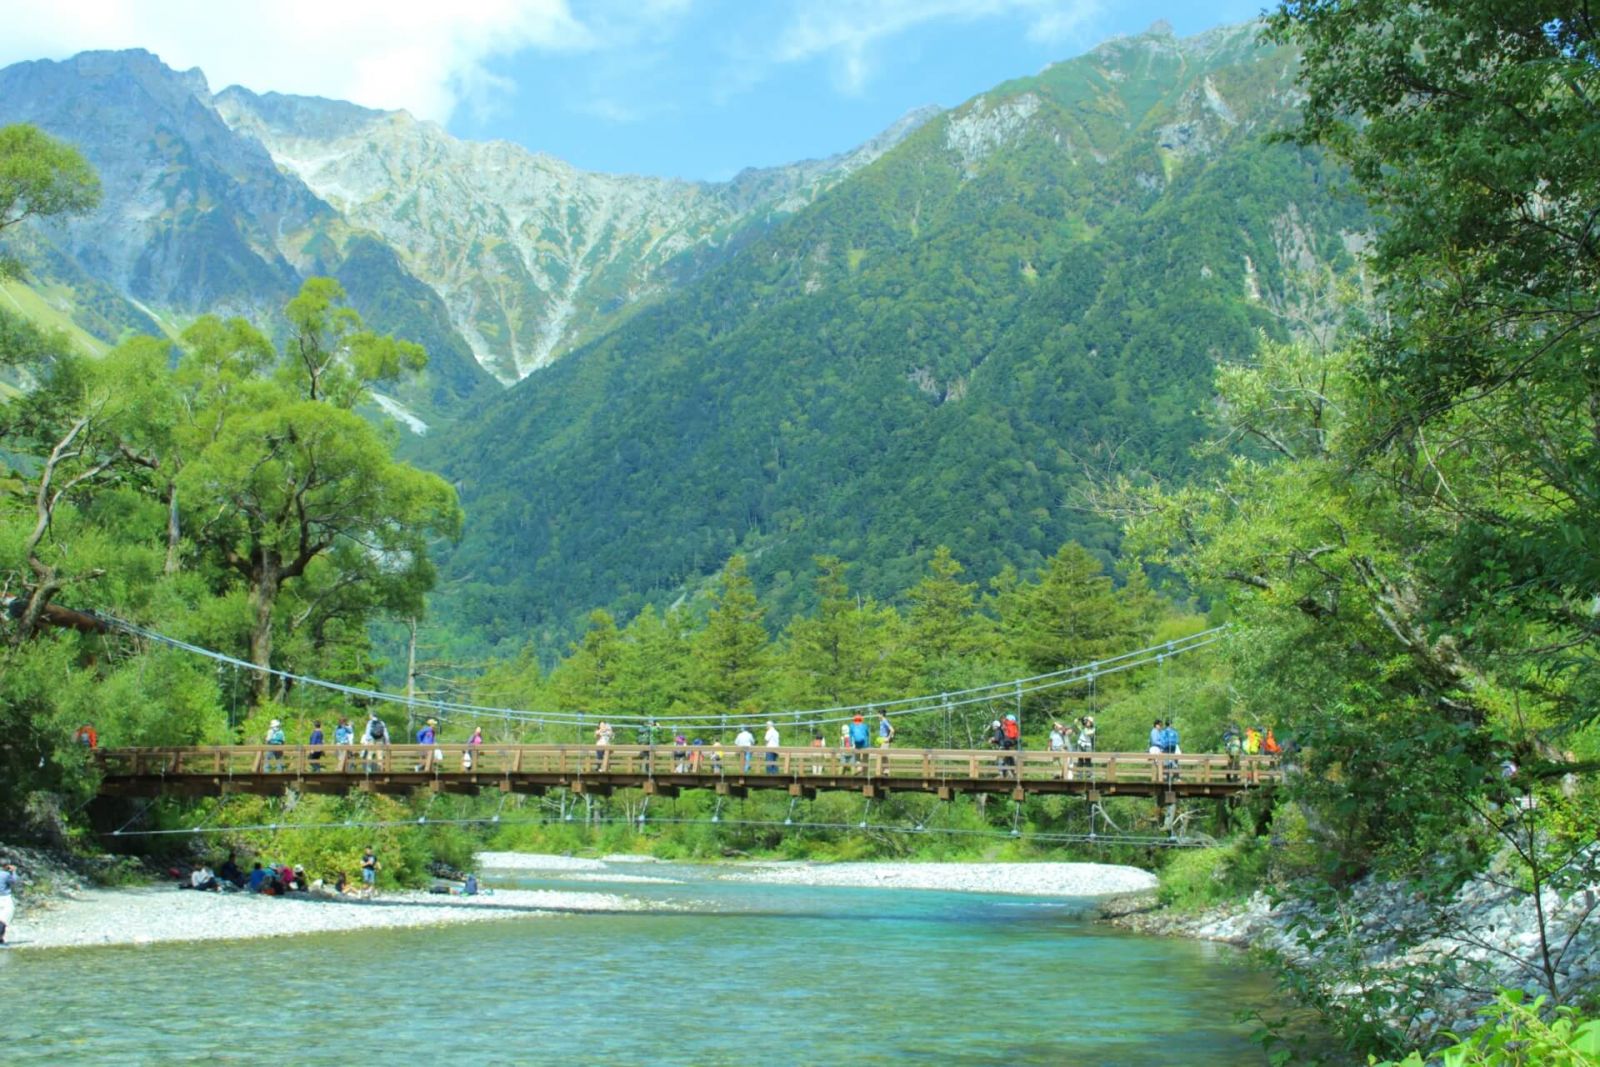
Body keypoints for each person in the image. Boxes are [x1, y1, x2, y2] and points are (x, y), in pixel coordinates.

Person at [0, 861, 18, 945]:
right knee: (4, 919)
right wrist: (13, 872)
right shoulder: (5, 874)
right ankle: (0, 939)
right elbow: (14, 882)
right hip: (4, 898)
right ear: (6, 866)